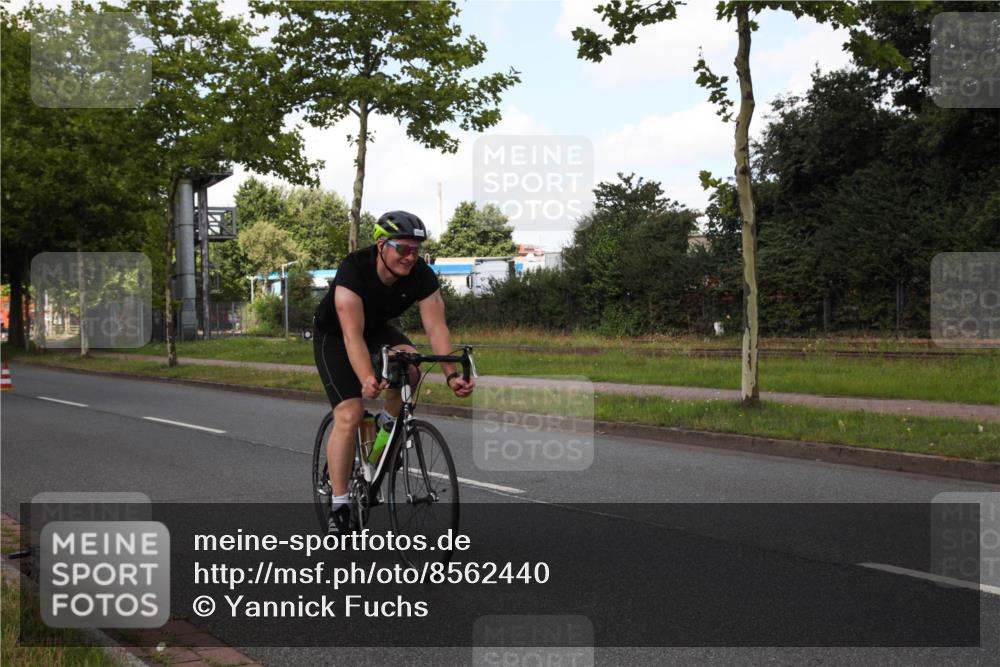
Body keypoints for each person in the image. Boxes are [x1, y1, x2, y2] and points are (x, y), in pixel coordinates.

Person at [313, 210, 475, 535]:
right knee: (351, 413)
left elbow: (436, 326)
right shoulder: (354, 270)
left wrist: (449, 374)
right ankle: (340, 504)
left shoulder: (421, 275)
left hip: (378, 331)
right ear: (381, 245)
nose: (410, 257)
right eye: (403, 248)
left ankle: (383, 435)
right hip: (336, 336)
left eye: (416, 250)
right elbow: (351, 336)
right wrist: (365, 378)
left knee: (412, 366)